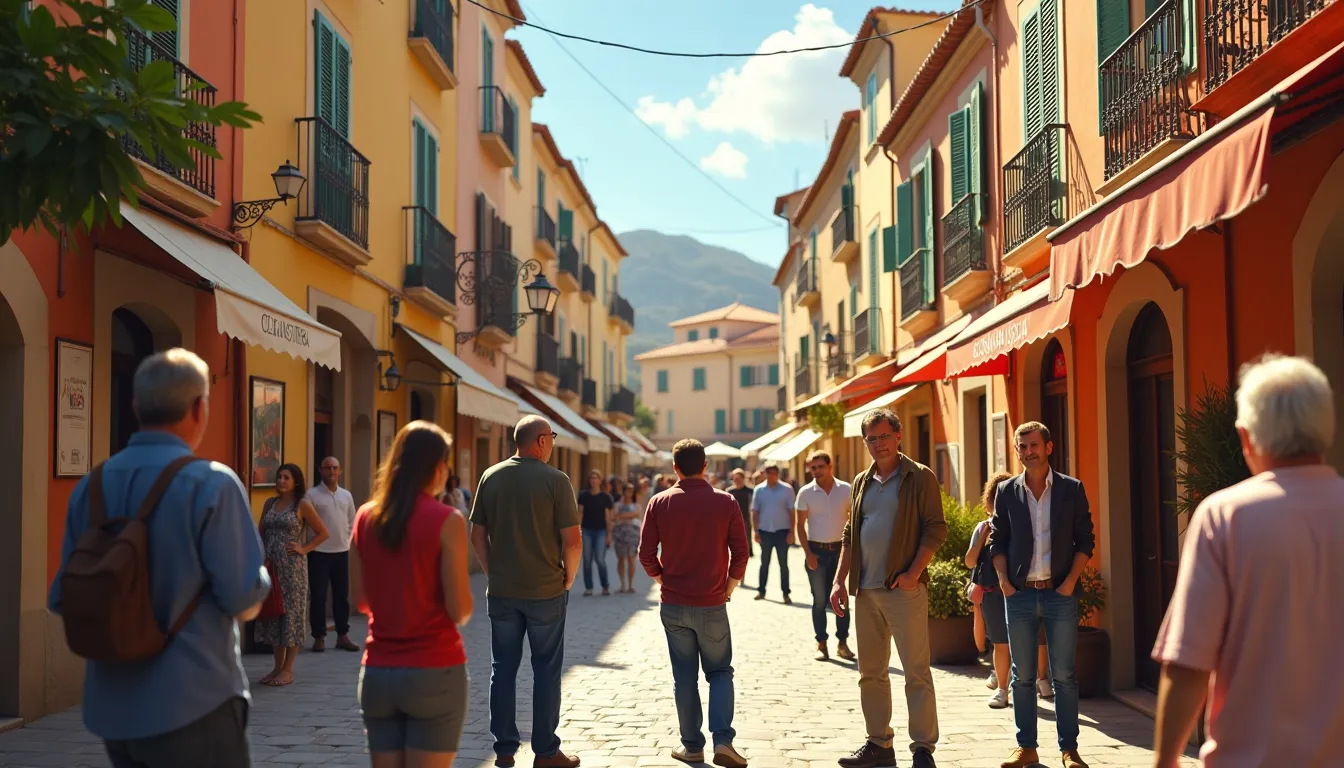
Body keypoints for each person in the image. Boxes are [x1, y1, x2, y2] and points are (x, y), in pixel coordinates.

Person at [48, 349, 270, 768]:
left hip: (112, 706)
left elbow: (63, 595)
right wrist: (260, 578)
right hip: (195, 699)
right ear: (199, 408)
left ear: (136, 408)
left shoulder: (89, 487)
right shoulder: (212, 484)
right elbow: (242, 597)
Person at [1151, 355, 1344, 767]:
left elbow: (1189, 664)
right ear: (1326, 429)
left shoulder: (1226, 516)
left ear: (1246, 436)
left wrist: (1164, 761)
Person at [351, 420, 473, 768]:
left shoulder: (365, 517)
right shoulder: (447, 520)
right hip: (434, 668)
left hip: (378, 671)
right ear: (437, 467)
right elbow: (459, 609)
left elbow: (360, 600)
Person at [829, 409, 945, 768]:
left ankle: (923, 748)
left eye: (883, 437)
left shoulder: (919, 476)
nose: (878, 444)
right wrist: (838, 580)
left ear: (898, 437)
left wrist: (913, 573)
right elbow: (850, 533)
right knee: (871, 673)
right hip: (865, 589)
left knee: (916, 671)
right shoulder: (862, 480)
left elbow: (935, 529)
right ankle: (879, 744)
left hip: (903, 588)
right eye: (871, 439)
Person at [469, 415, 583, 768]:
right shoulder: (556, 480)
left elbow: (476, 535)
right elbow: (573, 541)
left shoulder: (491, 475)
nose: (553, 442)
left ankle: (504, 750)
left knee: (501, 669)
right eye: (551, 436)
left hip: (503, 590)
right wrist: (568, 578)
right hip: (546, 590)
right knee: (546, 670)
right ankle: (546, 752)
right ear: (540, 441)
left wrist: (493, 572)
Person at [989, 421, 1094, 768]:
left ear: (1048, 447)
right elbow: (997, 540)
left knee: (1063, 674)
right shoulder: (1006, 491)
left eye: (1033, 445)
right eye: (1021, 447)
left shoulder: (1071, 489)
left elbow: (1086, 541)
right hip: (1018, 595)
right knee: (1022, 676)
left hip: (1059, 594)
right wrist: (1004, 581)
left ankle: (1069, 749)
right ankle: (1026, 748)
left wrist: (1068, 584)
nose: (1027, 452)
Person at [639, 440, 749, 768]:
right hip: (712, 602)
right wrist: (727, 588)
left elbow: (646, 555)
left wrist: (663, 580)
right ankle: (723, 740)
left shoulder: (659, 502)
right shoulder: (726, 502)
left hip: (673, 604)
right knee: (720, 671)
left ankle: (692, 747)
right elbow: (741, 553)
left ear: (674, 467)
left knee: (684, 676)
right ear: (705, 466)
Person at [255, 463, 329, 687]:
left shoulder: (302, 504)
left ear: (296, 481)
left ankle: (288, 669)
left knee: (291, 616)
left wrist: (304, 548)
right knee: (275, 615)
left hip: (292, 570)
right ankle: (277, 667)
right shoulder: (269, 503)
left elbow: (323, 533)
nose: (281, 481)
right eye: (279, 477)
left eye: (286, 477)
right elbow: (260, 533)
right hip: (271, 567)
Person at [794, 450, 854, 662]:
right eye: (813, 468)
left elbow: (854, 520)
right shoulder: (805, 492)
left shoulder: (846, 489)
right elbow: (800, 525)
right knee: (819, 601)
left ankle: (843, 643)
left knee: (842, 598)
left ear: (830, 467)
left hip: (841, 551)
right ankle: (821, 643)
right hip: (816, 552)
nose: (816, 471)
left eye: (820, 467)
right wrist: (808, 553)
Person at [967, 471, 1016, 708]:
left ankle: (1021, 681)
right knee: (999, 642)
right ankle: (1003, 688)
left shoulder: (1019, 523)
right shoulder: (983, 527)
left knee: (1019, 641)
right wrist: (982, 538)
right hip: (992, 593)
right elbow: (969, 561)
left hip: (1017, 590)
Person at [305, 456, 359, 653]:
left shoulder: (346, 495)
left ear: (340, 470)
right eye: (327, 468)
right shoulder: (312, 495)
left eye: (335, 468)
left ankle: (342, 635)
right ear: (320, 470)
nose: (332, 471)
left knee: (341, 596)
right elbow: (307, 522)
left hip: (341, 552)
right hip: (319, 552)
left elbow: (352, 520)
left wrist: (346, 538)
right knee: (318, 597)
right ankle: (319, 636)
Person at [751, 465, 796, 603]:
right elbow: (755, 511)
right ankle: (761, 590)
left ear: (778, 474)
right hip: (765, 532)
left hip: (782, 532)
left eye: (774, 473)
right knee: (764, 563)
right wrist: (756, 531)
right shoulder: (759, 490)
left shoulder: (787, 489)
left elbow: (792, 512)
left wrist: (791, 532)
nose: (772, 475)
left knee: (783, 564)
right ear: (765, 474)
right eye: (769, 473)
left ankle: (785, 593)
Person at [577, 469, 615, 596]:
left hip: (601, 531)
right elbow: (580, 514)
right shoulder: (583, 495)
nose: (593, 480)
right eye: (591, 478)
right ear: (589, 481)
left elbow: (608, 517)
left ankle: (605, 586)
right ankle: (589, 587)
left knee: (600, 559)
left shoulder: (605, 497)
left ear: (600, 480)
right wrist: (577, 531)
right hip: (587, 530)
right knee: (587, 560)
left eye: (596, 478)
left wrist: (609, 535)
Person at [612, 483, 643, 593]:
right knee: (621, 558)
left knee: (631, 558)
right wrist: (627, 515)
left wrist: (621, 516)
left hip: (633, 534)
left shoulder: (636, 505)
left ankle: (630, 584)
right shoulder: (617, 505)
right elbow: (614, 516)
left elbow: (635, 514)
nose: (629, 493)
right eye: (627, 490)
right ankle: (622, 584)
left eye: (631, 491)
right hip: (620, 533)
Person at [727, 469, 755, 558]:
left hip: (746, 518)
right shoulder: (729, 492)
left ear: (743, 479)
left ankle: (749, 552)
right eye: (735, 479)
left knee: (747, 538)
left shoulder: (750, 491)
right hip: (733, 519)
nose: (737, 481)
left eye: (738, 479)